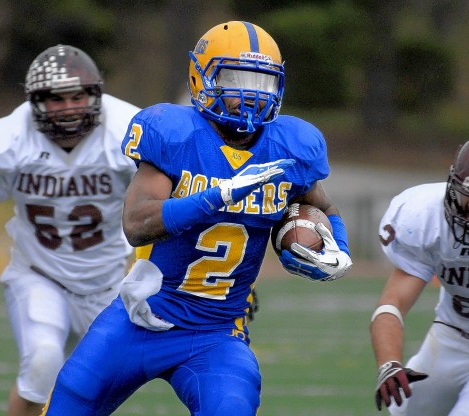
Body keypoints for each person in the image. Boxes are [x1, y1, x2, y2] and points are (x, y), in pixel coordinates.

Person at [41, 21, 352, 415]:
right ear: (200, 76)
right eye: (235, 78)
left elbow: (323, 208)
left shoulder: (290, 146)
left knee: (232, 407)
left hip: (217, 332)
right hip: (143, 318)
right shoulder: (176, 134)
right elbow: (136, 224)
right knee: (71, 398)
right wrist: (216, 197)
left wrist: (338, 249)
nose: (249, 95)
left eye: (262, 82)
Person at [0, 45, 141, 416]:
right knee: (42, 361)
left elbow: (169, 210)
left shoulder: (125, 133)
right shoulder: (10, 142)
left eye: (78, 95)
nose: (69, 107)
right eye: (55, 98)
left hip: (108, 282)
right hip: (40, 277)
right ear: (35, 101)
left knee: (101, 387)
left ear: (95, 95)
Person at [371, 128, 469, 415]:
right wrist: (388, 363)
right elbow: (392, 304)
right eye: (467, 194)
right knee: (405, 409)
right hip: (452, 338)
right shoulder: (427, 217)